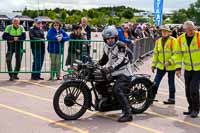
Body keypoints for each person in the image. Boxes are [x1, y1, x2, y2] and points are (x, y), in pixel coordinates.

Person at [97, 25, 133, 122]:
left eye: (112, 38)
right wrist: (95, 64)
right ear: (105, 39)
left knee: (117, 90)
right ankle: (108, 102)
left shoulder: (120, 45)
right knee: (99, 83)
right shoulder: (106, 47)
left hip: (124, 72)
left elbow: (121, 60)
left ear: (116, 37)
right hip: (113, 72)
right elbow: (104, 59)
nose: (110, 40)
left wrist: (110, 68)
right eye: (108, 38)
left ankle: (128, 113)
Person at [176, 21, 200, 118]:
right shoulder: (180, 39)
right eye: (189, 30)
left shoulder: (198, 37)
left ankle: (196, 109)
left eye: (192, 29)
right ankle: (191, 108)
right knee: (187, 90)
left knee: (194, 89)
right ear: (184, 30)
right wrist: (178, 68)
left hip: (198, 69)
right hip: (188, 69)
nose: (191, 31)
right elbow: (178, 54)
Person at [151, 25, 178, 104]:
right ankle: (151, 97)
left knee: (171, 82)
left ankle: (172, 99)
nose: (164, 32)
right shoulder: (158, 41)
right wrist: (153, 65)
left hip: (171, 66)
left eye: (166, 31)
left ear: (169, 32)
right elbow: (155, 54)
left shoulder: (174, 41)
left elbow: (176, 54)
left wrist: (169, 61)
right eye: (163, 31)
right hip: (160, 66)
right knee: (156, 82)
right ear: (161, 32)